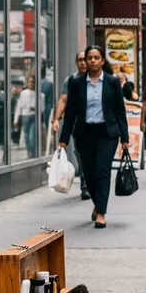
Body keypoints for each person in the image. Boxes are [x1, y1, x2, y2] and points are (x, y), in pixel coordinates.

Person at [60, 46, 130, 229]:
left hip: (107, 134)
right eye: (89, 58)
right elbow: (71, 112)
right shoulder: (76, 83)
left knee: (102, 171)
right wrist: (64, 138)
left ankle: (101, 212)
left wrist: (125, 138)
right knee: (88, 173)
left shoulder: (112, 82)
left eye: (96, 57)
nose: (92, 61)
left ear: (102, 61)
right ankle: (97, 203)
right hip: (85, 134)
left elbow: (120, 111)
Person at [53, 52, 89, 199]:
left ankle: (95, 182)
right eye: (79, 60)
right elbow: (63, 99)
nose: (83, 63)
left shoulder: (98, 79)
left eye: (84, 59)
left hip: (98, 125)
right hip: (78, 125)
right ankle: (85, 186)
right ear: (76, 62)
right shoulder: (71, 80)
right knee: (81, 155)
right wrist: (56, 119)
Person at [14, 75, 38, 158]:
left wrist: (36, 108)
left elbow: (42, 108)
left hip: (34, 116)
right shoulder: (23, 93)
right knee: (26, 136)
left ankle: (33, 152)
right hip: (25, 116)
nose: (31, 83)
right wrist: (16, 120)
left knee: (32, 137)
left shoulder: (39, 93)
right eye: (30, 82)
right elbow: (19, 106)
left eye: (33, 82)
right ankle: (29, 152)